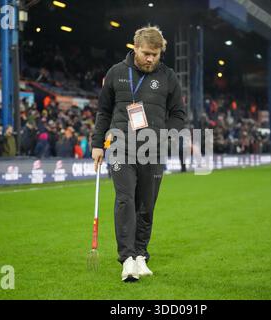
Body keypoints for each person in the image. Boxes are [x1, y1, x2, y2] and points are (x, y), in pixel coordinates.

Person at [91, 26, 186, 282]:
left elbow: (179, 115)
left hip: (151, 150)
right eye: (146, 53)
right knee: (125, 199)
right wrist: (97, 144)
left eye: (155, 55)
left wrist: (165, 135)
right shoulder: (116, 73)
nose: (150, 59)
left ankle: (141, 254)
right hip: (120, 146)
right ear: (135, 48)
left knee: (146, 205)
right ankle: (127, 258)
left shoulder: (168, 77)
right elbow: (103, 111)